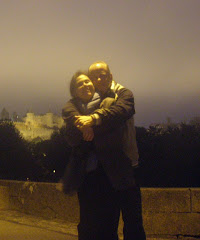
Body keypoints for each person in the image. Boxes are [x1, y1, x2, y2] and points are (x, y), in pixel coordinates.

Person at [63, 61, 146, 240]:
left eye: (103, 74)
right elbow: (69, 112)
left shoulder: (119, 95)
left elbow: (120, 112)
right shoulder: (81, 103)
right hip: (96, 173)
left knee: (133, 223)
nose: (98, 78)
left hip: (126, 165)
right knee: (103, 224)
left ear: (110, 75)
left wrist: (92, 121)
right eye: (95, 76)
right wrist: (78, 121)